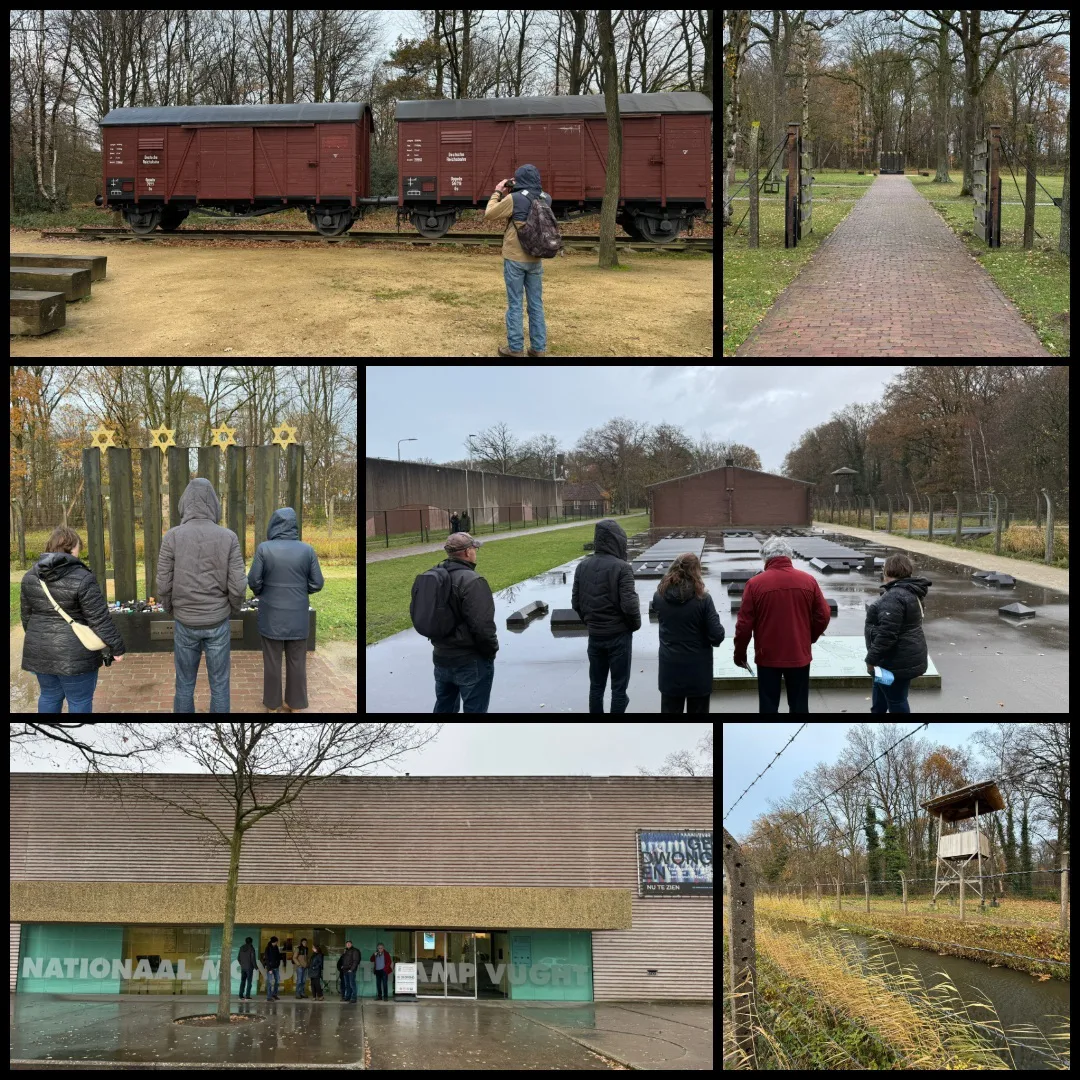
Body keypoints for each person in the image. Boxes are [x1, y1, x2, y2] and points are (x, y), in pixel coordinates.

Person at [156, 478, 247, 713]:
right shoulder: (228, 537)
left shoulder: (172, 537)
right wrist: (231, 608)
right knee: (219, 684)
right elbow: (238, 585)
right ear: (214, 504)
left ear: (185, 503)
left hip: (185, 621)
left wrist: (172, 609)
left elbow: (163, 584)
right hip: (217, 620)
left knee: (184, 683)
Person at [20, 525, 126, 712]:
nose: (79, 551)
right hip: (75, 653)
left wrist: (39, 639)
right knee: (79, 701)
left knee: (49, 695)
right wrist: (116, 646)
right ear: (70, 548)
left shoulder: (30, 576)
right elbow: (99, 618)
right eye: (78, 547)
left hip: (40, 650)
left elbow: (26, 616)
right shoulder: (82, 578)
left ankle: (49, 736)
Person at [733, 536, 831, 713]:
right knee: (800, 706)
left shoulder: (754, 584)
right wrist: (808, 638)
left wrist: (740, 653)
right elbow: (823, 615)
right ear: (789, 556)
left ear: (765, 558)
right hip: (799, 654)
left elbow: (744, 625)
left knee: (768, 706)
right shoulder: (809, 581)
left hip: (767, 657)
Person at [247, 507, 325, 713]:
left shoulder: (264, 549)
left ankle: (272, 704)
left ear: (273, 524)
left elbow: (253, 580)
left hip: (272, 614)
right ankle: (295, 703)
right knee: (297, 660)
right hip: (298, 615)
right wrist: (300, 590)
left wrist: (263, 592)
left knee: (272, 661)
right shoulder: (307, 550)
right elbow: (317, 583)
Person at [420, 532, 499, 713]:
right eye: (474, 548)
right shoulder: (473, 581)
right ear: (466, 552)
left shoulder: (433, 576)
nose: (475, 552)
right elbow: (482, 626)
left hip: (441, 656)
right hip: (470, 660)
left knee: (443, 707)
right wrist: (491, 651)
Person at [572, 519, 641, 713]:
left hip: (595, 636)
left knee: (596, 687)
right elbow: (630, 606)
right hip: (618, 636)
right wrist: (633, 626)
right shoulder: (622, 568)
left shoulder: (582, 567)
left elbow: (576, 603)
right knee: (619, 689)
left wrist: (590, 622)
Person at [485, 163, 552, 358]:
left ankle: (515, 348)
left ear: (519, 180)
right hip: (535, 259)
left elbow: (490, 213)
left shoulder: (514, 199)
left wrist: (498, 191)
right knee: (536, 304)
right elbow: (535, 195)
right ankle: (538, 348)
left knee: (515, 303)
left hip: (514, 258)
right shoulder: (546, 198)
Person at [653, 552, 724, 713]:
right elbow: (717, 636)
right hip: (698, 672)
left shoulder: (659, 597)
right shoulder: (703, 599)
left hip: (669, 669)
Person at [864, 553, 932, 714]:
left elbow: (887, 634)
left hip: (893, 662)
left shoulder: (893, 597)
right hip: (902, 658)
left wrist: (871, 660)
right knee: (880, 697)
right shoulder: (911, 591)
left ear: (887, 571)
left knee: (896, 700)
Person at [340, 939, 361, 1003]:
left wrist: (351, 969)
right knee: (347, 985)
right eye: (347, 943)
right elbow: (344, 960)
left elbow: (356, 961)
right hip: (345, 970)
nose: (348, 944)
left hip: (351, 970)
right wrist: (343, 966)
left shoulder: (355, 951)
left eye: (349, 943)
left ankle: (354, 998)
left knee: (352, 984)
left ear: (351, 944)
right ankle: (347, 997)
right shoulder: (346, 951)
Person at [263, 936, 282, 1001]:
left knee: (277, 981)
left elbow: (278, 956)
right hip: (270, 968)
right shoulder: (268, 948)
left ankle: (274, 994)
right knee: (270, 982)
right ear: (274, 942)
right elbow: (267, 959)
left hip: (276, 967)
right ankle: (269, 997)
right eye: (276, 942)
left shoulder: (276, 947)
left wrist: (278, 964)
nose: (277, 943)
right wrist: (269, 969)